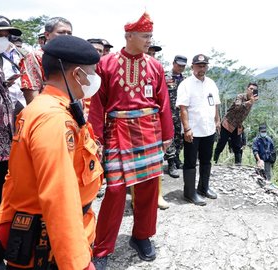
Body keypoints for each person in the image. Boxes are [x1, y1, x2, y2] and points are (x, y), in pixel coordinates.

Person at [0, 35, 102, 270]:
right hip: (49, 249)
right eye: (93, 72)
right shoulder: (54, 119)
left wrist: (4, 222)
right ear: (77, 74)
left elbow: (15, 176)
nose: (96, 78)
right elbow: (59, 196)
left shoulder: (40, 109)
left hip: (46, 238)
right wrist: (78, 263)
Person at [88, 12, 173, 269]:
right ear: (129, 36)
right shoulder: (107, 63)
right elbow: (97, 102)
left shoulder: (155, 66)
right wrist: (96, 136)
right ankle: (102, 248)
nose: (150, 40)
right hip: (117, 129)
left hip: (149, 129)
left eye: (150, 36)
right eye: (146, 36)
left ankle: (142, 236)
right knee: (114, 190)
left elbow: (163, 102)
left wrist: (167, 134)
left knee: (148, 187)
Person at [176, 54, 221, 206]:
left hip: (209, 129)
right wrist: (187, 128)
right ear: (192, 67)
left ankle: (203, 187)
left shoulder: (211, 83)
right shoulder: (186, 84)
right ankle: (189, 193)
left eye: (204, 65)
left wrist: (217, 121)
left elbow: (215, 104)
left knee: (206, 160)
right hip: (193, 130)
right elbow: (183, 109)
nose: (202, 68)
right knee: (190, 162)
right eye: (199, 65)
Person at [0, 13, 20, 230]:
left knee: (1, 194)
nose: (2, 39)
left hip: (4, 143)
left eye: (5, 36)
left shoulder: (2, 61)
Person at [20, 17, 72, 104]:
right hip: (48, 110)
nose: (66, 36)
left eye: (69, 33)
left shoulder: (71, 57)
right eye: (61, 32)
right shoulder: (35, 56)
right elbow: (31, 90)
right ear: (47, 35)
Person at [213, 82, 259, 165]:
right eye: (251, 89)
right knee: (221, 145)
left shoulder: (252, 100)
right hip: (227, 124)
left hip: (237, 126)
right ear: (247, 89)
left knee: (238, 147)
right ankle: (214, 162)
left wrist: (251, 101)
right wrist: (249, 102)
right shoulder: (240, 96)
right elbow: (238, 107)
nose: (252, 91)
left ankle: (238, 166)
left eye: (254, 90)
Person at [164, 55, 187, 178]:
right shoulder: (165, 77)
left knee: (180, 138)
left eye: (183, 66)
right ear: (173, 63)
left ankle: (177, 157)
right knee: (170, 138)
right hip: (168, 114)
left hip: (181, 115)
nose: (181, 68)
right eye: (179, 65)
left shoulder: (186, 80)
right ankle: (171, 163)